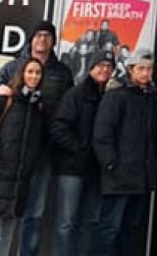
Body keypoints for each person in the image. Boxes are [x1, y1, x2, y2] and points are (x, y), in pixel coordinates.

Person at [0, 20, 75, 256]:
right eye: (37, 35)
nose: (42, 40)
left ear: (54, 41)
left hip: (44, 151)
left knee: (34, 213)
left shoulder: (62, 72)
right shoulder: (12, 67)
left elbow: (69, 110)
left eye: (47, 36)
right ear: (30, 39)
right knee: (6, 212)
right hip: (13, 152)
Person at [0, 57, 48, 256]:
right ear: (22, 74)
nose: (33, 76)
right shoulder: (6, 99)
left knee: (9, 226)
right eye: (30, 72)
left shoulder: (38, 107)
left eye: (37, 73)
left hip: (20, 175)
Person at [94, 49, 157, 256]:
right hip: (118, 178)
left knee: (131, 231)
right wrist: (111, 164)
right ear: (130, 70)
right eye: (140, 68)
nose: (145, 73)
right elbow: (102, 134)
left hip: (141, 178)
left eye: (149, 69)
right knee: (110, 230)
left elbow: (156, 138)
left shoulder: (153, 100)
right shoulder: (116, 96)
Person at [51, 51, 115, 256]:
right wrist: (80, 150)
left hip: (97, 171)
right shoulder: (76, 94)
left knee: (92, 221)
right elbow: (59, 128)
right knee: (66, 223)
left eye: (108, 66)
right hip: (72, 169)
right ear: (90, 68)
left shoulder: (112, 97)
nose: (104, 70)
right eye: (99, 65)